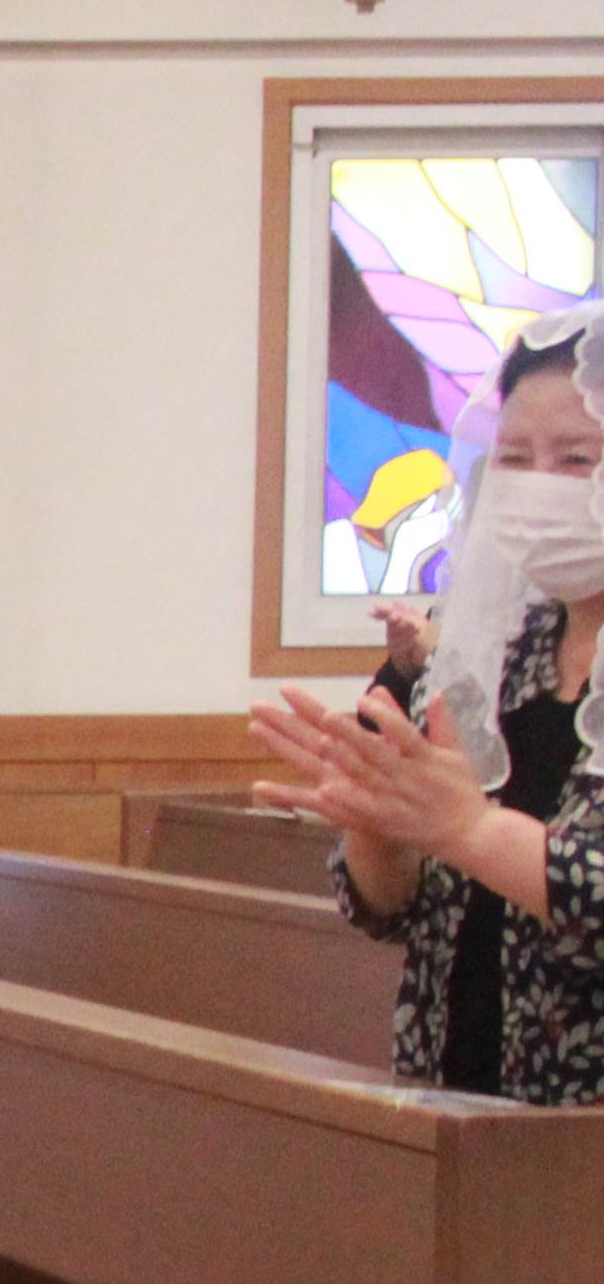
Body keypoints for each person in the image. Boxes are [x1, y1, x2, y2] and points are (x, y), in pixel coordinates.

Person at [255, 332, 604, 1100]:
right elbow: (396, 911)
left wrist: (473, 831)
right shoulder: (494, 651)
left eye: (576, 459)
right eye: (515, 459)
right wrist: (377, 829)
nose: (537, 487)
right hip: (454, 1099)